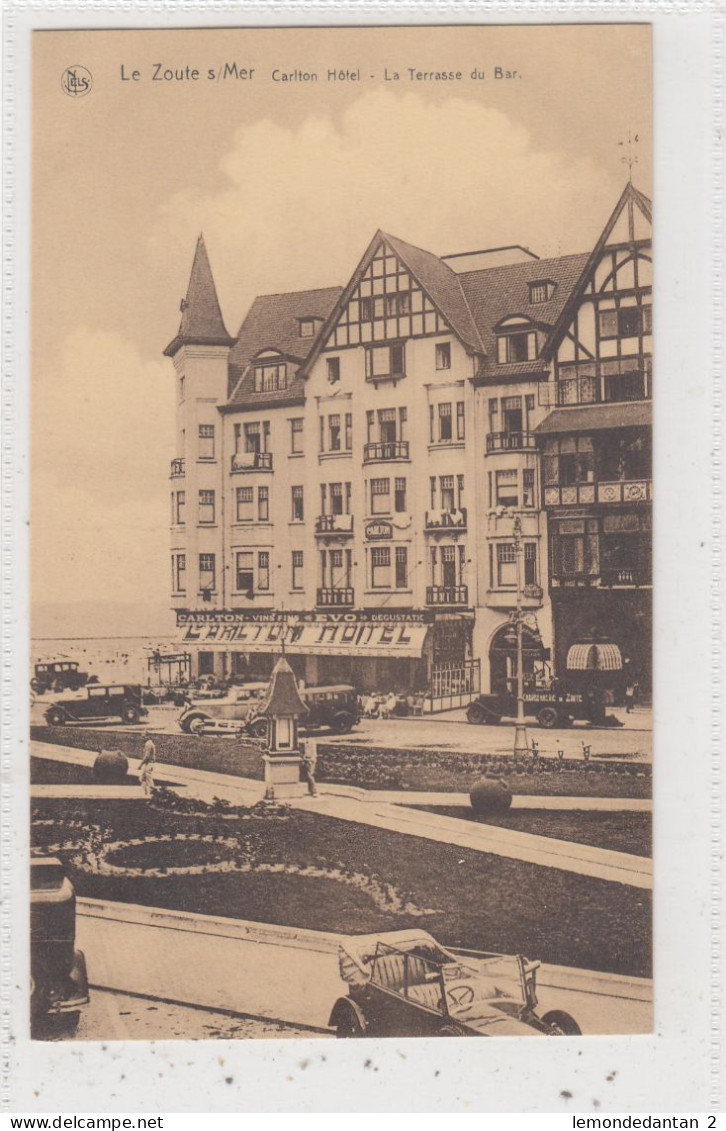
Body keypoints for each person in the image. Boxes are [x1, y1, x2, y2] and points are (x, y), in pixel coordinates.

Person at [138, 732, 156, 796]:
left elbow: (147, 756)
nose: (142, 737)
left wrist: (140, 765)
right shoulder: (148, 743)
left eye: (143, 736)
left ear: (147, 736)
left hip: (149, 763)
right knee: (142, 778)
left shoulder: (148, 744)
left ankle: (153, 793)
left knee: (148, 779)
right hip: (148, 764)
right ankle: (146, 793)